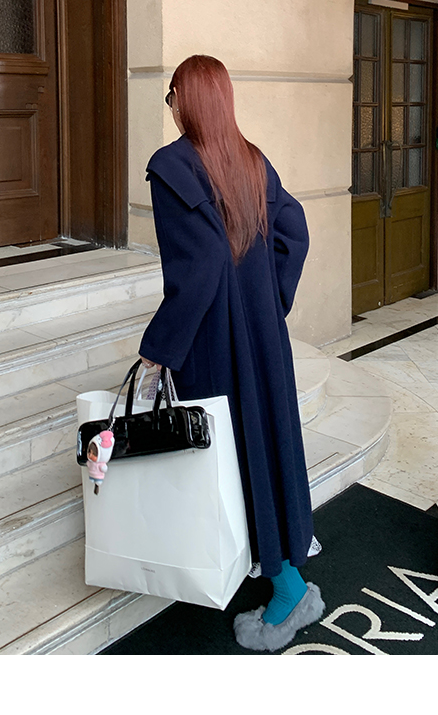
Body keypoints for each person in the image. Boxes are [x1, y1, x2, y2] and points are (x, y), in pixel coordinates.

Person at [138, 54, 325, 651]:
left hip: (216, 341)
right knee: (266, 444)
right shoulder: (251, 158)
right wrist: (269, 299)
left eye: (172, 97)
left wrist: (160, 350)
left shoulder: (172, 167)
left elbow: (201, 266)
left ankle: (287, 589)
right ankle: (289, 568)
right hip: (262, 338)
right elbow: (294, 230)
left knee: (235, 456)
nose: (172, 107)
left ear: (185, 101)